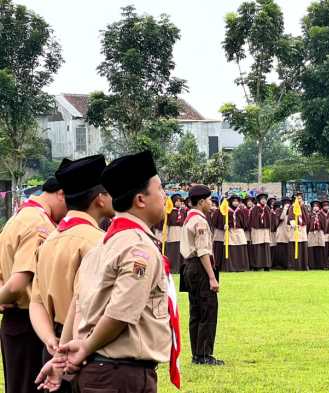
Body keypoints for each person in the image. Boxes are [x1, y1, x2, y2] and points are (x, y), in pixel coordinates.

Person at [58, 151, 177, 391]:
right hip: (118, 375)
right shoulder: (137, 247)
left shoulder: (102, 246)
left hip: (102, 372)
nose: (165, 197)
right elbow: (121, 313)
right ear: (141, 200)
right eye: (160, 189)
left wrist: (62, 357)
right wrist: (85, 348)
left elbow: (78, 305)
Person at [29, 155, 114, 393]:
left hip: (52, 348)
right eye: (110, 192)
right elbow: (83, 306)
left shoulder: (50, 239)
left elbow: (36, 303)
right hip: (84, 351)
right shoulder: (98, 242)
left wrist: (51, 341)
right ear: (99, 199)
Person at [0, 177, 67, 393]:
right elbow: (17, 284)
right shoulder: (39, 224)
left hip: (16, 323)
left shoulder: (17, 218)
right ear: (61, 193)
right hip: (29, 324)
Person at [180, 185, 223, 365]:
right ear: (201, 202)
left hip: (188, 266)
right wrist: (212, 277)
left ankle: (197, 353)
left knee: (196, 311)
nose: (211, 203)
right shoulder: (200, 221)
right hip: (200, 266)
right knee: (208, 309)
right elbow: (203, 251)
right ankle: (204, 354)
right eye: (209, 200)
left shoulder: (187, 219)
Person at [223, 195, 250, 272]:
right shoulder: (226, 210)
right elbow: (222, 220)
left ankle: (241, 267)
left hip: (239, 231)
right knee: (231, 248)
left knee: (240, 247)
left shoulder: (241, 210)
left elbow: (245, 221)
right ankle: (231, 267)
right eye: (234, 201)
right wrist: (225, 224)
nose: (235, 203)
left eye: (237, 201)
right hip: (230, 231)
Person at [250, 193, 273, 271]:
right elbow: (252, 220)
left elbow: (270, 219)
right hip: (257, 230)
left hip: (265, 230)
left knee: (265, 247)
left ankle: (267, 265)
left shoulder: (267, 208)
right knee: (258, 247)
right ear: (259, 200)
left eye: (265, 199)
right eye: (262, 199)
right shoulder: (255, 208)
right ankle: (257, 265)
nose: (263, 201)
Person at [288, 192, 310, 270]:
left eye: (300, 198)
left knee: (303, 246)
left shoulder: (304, 207)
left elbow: (307, 218)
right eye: (298, 198)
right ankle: (295, 265)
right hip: (295, 229)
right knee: (295, 247)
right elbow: (290, 217)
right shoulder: (292, 207)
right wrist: (294, 224)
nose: (299, 199)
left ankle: (304, 265)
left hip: (302, 228)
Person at [308, 201, 327, 270]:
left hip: (320, 232)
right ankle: (312, 265)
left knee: (320, 248)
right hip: (312, 233)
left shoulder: (322, 214)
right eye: (314, 206)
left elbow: (325, 224)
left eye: (317, 206)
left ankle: (321, 265)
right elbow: (308, 223)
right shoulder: (310, 214)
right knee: (312, 248)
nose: (315, 208)